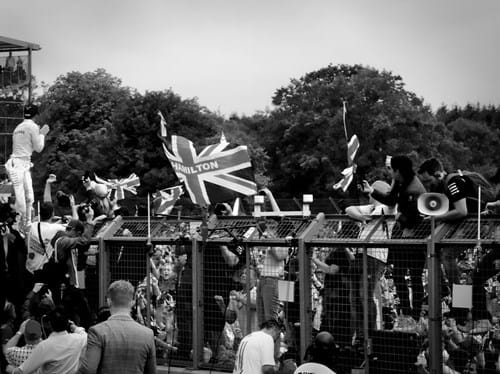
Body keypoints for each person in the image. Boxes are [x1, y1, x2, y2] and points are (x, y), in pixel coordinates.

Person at [363, 155, 427, 322]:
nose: (390, 173)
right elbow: (391, 199)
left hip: (416, 237)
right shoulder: (400, 182)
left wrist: (401, 218)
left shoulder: (414, 188)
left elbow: (417, 214)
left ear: (398, 170)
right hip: (403, 236)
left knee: (415, 276)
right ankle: (406, 312)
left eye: (392, 169)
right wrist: (372, 191)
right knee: (398, 274)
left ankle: (416, 314)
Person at [345, 180, 396, 335]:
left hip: (375, 256)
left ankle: (370, 334)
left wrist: (362, 215)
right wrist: (362, 218)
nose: (368, 195)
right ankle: (361, 334)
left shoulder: (388, 207)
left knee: (364, 295)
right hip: (361, 254)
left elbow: (372, 212)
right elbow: (349, 209)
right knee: (354, 297)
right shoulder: (372, 207)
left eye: (371, 192)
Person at [78, 280, 156, 374]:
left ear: (108, 301)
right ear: (132, 302)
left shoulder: (97, 332)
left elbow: (88, 370)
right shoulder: (147, 334)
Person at [4, 104, 49, 232]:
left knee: (29, 197)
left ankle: (27, 224)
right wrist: (42, 134)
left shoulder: (18, 127)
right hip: (18, 165)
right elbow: (39, 148)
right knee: (22, 197)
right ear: (36, 115)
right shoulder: (33, 126)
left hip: (21, 164)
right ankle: (21, 225)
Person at [13, 306, 87, 374]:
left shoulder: (44, 346)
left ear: (49, 324)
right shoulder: (78, 339)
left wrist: (11, 370)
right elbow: (84, 334)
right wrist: (73, 326)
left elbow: (22, 371)